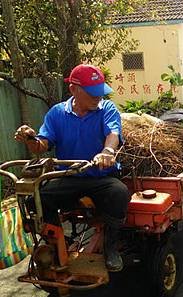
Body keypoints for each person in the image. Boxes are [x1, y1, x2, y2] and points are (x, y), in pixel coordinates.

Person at [14, 64, 130, 272]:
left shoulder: (107, 109)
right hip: (69, 176)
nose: (97, 98)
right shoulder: (57, 113)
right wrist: (30, 138)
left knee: (119, 193)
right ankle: (57, 244)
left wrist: (108, 153)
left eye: (100, 93)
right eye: (92, 93)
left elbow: (113, 134)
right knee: (36, 198)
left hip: (100, 177)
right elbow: (41, 145)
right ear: (73, 90)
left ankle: (111, 247)